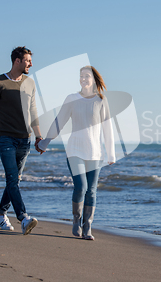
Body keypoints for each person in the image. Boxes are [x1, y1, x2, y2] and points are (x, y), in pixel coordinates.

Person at [38, 66, 115, 240]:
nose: (83, 79)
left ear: (94, 79)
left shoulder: (101, 100)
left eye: (86, 76)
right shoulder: (71, 99)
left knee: (92, 191)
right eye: (81, 76)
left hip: (95, 152)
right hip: (74, 150)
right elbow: (60, 122)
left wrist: (111, 153)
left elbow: (108, 129)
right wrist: (46, 141)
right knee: (81, 187)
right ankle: (76, 219)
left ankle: (87, 226)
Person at [0, 46, 44, 235]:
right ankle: (23, 218)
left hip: (25, 139)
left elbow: (33, 111)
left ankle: (1, 215)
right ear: (17, 61)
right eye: (27, 60)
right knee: (12, 178)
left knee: (14, 180)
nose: (31, 64)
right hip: (6, 138)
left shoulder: (30, 83)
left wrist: (39, 135)